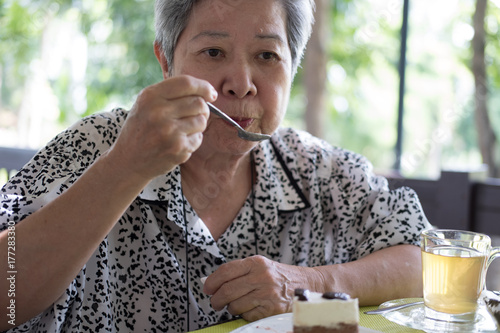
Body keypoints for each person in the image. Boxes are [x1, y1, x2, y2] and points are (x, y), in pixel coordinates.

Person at [0, 0, 431, 332]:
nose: (241, 83)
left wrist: (308, 285)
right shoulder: (98, 145)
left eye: (267, 56)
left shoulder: (318, 171)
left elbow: (428, 263)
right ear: (166, 62)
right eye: (213, 51)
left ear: (292, 69)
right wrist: (126, 167)